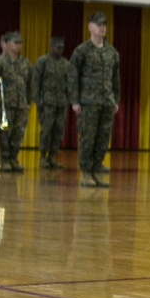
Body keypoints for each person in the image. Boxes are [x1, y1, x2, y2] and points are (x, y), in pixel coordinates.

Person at [68, 12, 120, 187]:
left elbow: (115, 79)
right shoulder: (81, 51)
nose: (102, 27)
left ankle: (96, 170)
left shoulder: (111, 52)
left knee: (103, 138)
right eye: (98, 24)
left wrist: (115, 100)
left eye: (104, 24)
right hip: (88, 103)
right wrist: (75, 101)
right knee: (88, 138)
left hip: (106, 102)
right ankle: (86, 173)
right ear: (90, 27)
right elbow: (73, 76)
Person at [0, 31, 33, 173]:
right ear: (7, 44)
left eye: (20, 43)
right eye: (16, 43)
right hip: (3, 104)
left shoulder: (25, 63)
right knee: (3, 132)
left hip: (20, 104)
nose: (19, 45)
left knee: (18, 132)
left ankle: (13, 158)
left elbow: (30, 84)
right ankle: (2, 159)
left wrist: (28, 101)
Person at [31, 35, 70, 169]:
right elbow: (35, 81)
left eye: (62, 48)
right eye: (57, 47)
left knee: (58, 130)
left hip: (61, 102)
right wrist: (36, 99)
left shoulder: (66, 64)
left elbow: (69, 83)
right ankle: (43, 156)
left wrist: (69, 99)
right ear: (51, 47)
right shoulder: (43, 61)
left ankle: (52, 156)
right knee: (46, 129)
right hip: (47, 101)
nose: (60, 50)